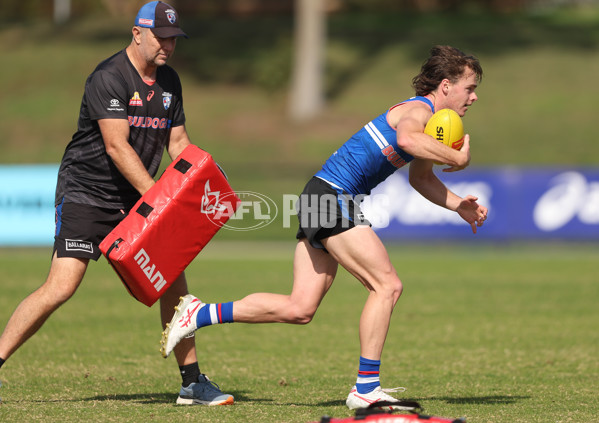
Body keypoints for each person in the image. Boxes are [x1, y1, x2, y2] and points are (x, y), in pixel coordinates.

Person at [160, 45, 488, 409]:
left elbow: (421, 179)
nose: (473, 97)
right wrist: (458, 156)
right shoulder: (418, 110)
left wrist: (459, 205)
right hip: (331, 198)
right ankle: (366, 388)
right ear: (445, 86)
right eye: (469, 88)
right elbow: (408, 139)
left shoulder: (430, 119)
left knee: (300, 308)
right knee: (387, 285)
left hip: (321, 198)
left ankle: (198, 313)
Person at [0, 1, 233, 406]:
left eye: (173, 39)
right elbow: (116, 146)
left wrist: (203, 181)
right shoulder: (108, 77)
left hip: (136, 198)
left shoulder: (170, 82)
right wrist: (159, 200)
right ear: (136, 32)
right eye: (160, 37)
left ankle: (192, 382)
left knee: (173, 282)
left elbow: (178, 144)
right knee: (61, 286)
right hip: (87, 192)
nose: (167, 46)